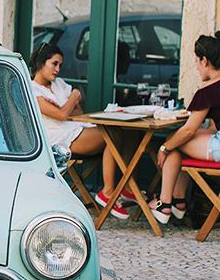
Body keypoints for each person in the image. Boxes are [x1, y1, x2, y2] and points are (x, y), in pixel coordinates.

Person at [30, 43, 133, 219]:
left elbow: (77, 113)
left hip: (74, 128)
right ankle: (107, 193)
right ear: (41, 63)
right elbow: (63, 114)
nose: (58, 70)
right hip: (58, 137)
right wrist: (74, 96)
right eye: (54, 64)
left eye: (60, 65)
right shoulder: (32, 89)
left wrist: (67, 106)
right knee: (110, 135)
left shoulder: (59, 84)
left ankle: (128, 188)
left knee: (127, 134)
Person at [148, 32, 220, 224]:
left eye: (196, 62)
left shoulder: (208, 90)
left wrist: (165, 147)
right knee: (180, 140)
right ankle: (177, 201)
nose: (197, 67)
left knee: (175, 139)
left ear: (204, 60)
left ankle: (165, 203)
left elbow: (188, 130)